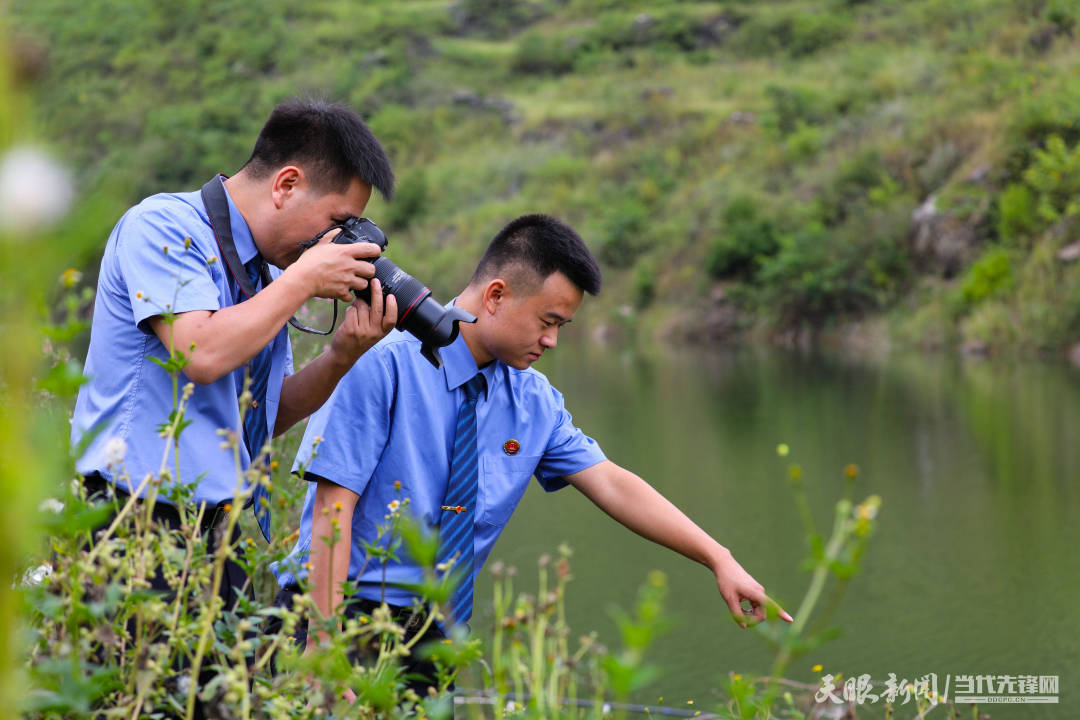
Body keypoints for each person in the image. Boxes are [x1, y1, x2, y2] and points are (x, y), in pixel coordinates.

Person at [272, 214, 793, 694]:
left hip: (434, 631)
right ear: (496, 295)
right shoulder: (379, 364)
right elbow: (332, 509)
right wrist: (324, 649)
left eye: (562, 327)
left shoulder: (532, 400)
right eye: (548, 321)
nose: (552, 341)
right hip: (339, 614)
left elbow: (611, 482)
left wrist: (717, 558)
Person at [71, 99, 400, 601]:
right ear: (286, 185)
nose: (339, 241)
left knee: (238, 678)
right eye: (339, 221)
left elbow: (262, 418)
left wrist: (342, 356)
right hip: (129, 522)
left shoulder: (261, 278)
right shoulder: (163, 225)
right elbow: (198, 354)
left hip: (215, 531)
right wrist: (305, 280)